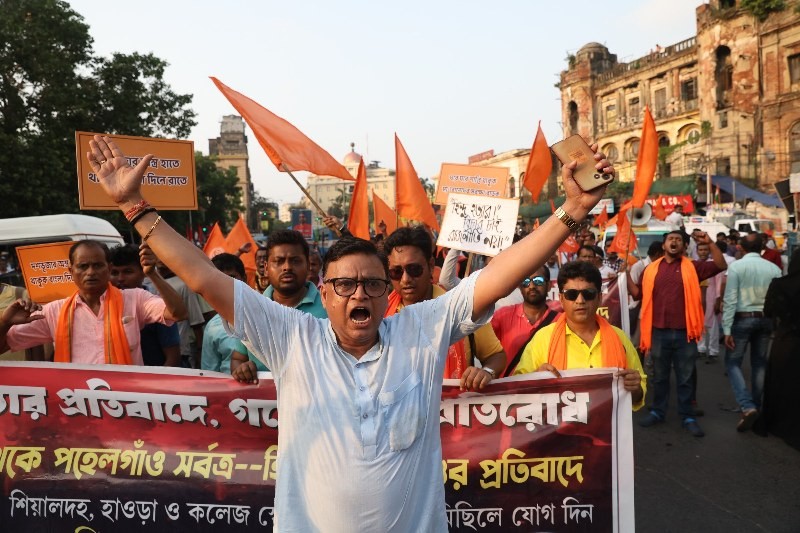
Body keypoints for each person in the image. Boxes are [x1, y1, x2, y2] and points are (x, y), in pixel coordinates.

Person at [86, 134, 612, 532]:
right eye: (344, 285)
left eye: (371, 284)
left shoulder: (420, 331)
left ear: (389, 294)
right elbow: (205, 278)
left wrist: (573, 212)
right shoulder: (294, 339)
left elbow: (500, 275)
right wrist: (136, 209)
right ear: (326, 290)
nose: (358, 294)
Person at [0, 240, 183, 364]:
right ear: (71, 271)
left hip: (128, 407)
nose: (90, 272)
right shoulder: (55, 311)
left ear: (108, 268)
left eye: (97, 265)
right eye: (83, 266)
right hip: (78, 409)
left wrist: (153, 274)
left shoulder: (135, 299)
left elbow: (178, 313)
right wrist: (4, 322)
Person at [627, 230, 727, 437]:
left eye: (678, 240)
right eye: (670, 239)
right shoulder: (650, 270)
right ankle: (657, 412)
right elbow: (637, 294)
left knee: (685, 378)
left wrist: (710, 243)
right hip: (658, 333)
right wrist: (624, 274)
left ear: (684, 246)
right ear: (664, 246)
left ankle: (687, 416)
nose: (674, 242)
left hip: (685, 334)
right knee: (660, 377)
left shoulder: (693, 267)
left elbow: (721, 265)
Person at [383, 226, 506, 391]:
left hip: (451, 412)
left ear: (431, 265)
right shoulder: (380, 315)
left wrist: (486, 372)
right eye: (396, 272)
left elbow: (496, 356)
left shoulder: (463, 307)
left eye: (414, 270)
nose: (405, 279)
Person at [514, 261, 646, 409]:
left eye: (588, 294)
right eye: (571, 294)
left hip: (607, 430)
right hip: (557, 431)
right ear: (561, 299)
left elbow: (639, 390)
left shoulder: (619, 337)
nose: (580, 300)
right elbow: (517, 389)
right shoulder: (543, 338)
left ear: (599, 298)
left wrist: (635, 389)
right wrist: (536, 378)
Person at [232, 230, 327, 382]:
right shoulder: (250, 310)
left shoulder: (329, 306)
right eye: (279, 261)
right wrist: (242, 369)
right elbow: (238, 359)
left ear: (308, 265)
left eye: (295, 261)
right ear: (266, 267)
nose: (287, 267)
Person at [721, 232, 782, 432]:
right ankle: (755, 406)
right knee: (759, 364)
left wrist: (727, 328)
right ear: (761, 247)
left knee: (732, 363)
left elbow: (730, 299)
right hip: (765, 319)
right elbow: (777, 299)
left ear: (741, 248)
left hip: (743, 319)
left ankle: (747, 406)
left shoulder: (737, 267)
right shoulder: (774, 268)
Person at [108, 243, 185, 366]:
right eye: (114, 273)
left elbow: (173, 358)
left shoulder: (157, 306)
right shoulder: (104, 305)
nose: (120, 278)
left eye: (128, 272)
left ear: (143, 273)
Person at [754, 248, 800, 450]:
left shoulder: (781, 285)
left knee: (782, 385)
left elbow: (769, 311)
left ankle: (779, 423)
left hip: (787, 342)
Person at [491, 265, 560, 376]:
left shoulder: (560, 321)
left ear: (549, 286)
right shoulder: (502, 316)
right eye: (526, 281)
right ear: (520, 287)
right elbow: (483, 349)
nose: (531, 286)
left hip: (546, 390)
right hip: (507, 390)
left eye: (538, 281)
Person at [202, 253, 250, 374]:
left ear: (244, 279)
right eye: (220, 279)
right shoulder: (212, 327)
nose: (226, 284)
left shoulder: (266, 314)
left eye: (232, 277)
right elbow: (209, 374)